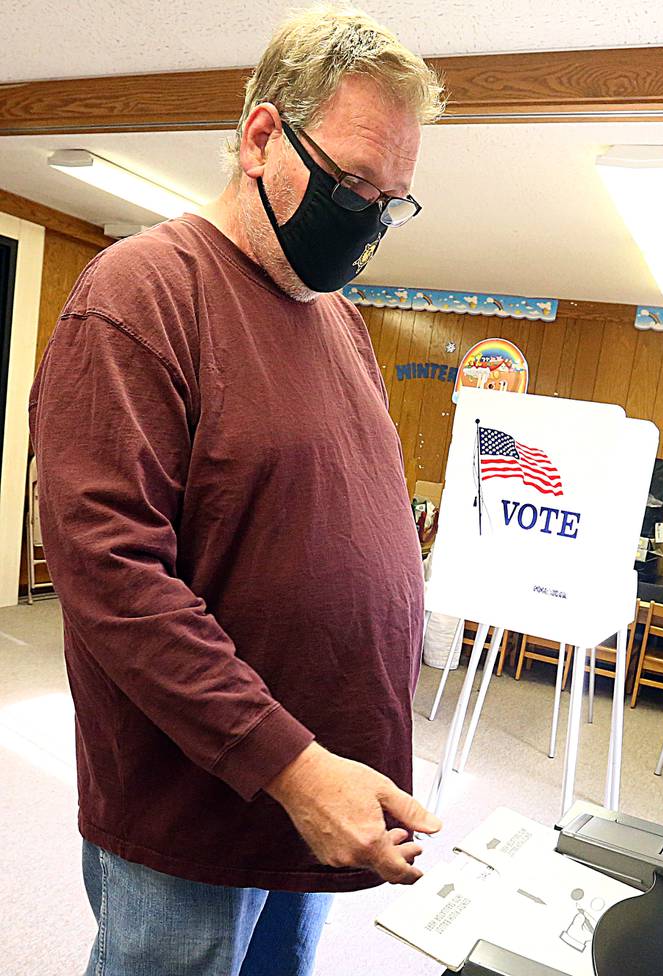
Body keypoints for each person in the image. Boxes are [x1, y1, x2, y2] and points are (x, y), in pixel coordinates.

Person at [28, 5, 445, 974]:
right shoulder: (142, 294)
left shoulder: (338, 321)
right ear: (262, 136)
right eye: (350, 184)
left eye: (391, 200)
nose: (369, 219)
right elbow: (113, 582)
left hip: (317, 804)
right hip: (203, 809)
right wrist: (291, 767)